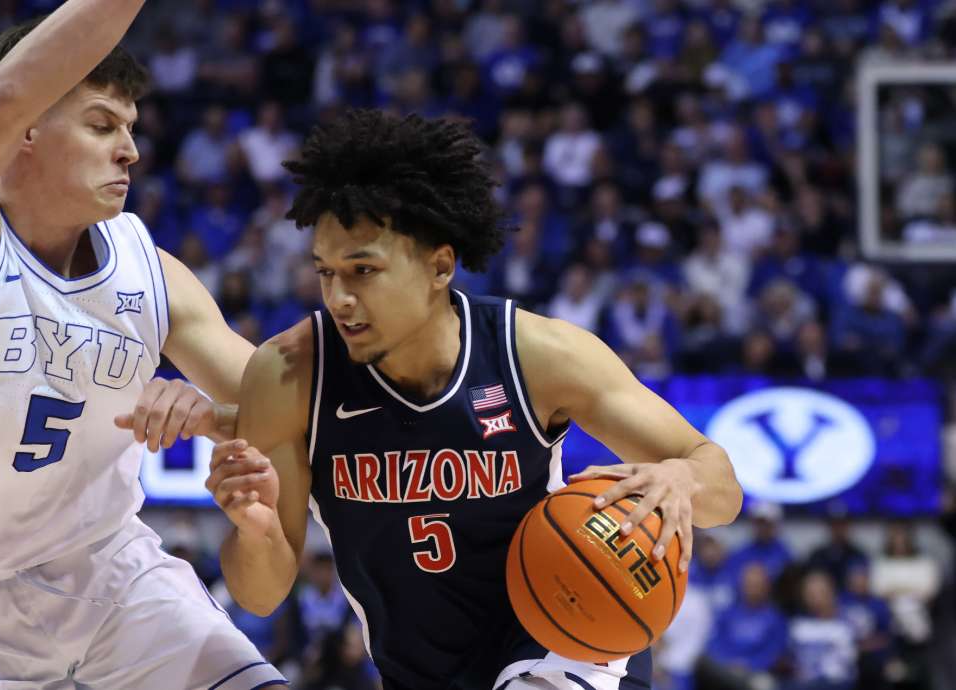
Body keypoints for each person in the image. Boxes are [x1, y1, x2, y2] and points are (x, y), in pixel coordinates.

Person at [205, 109, 743, 690]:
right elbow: (261, 597)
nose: (339, 297)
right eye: (326, 272)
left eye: (363, 270)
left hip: (566, 634)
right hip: (418, 668)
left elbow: (723, 489)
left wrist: (683, 480)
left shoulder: (538, 355)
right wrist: (255, 530)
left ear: (439, 265)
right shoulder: (288, 375)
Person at [0, 2, 283, 687]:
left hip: (114, 577)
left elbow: (279, 396)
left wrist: (214, 417)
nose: (131, 150)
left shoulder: (149, 269)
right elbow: (6, 96)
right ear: (24, 131)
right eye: (101, 124)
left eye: (131, 128)